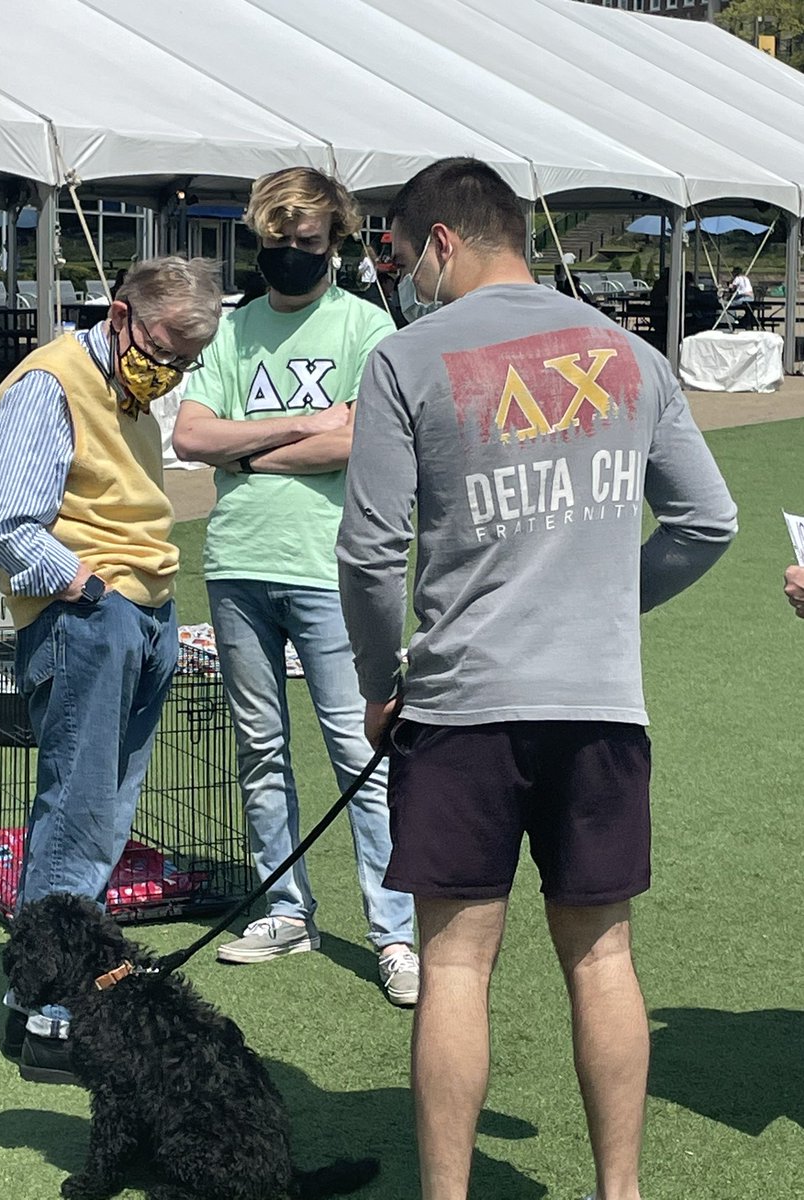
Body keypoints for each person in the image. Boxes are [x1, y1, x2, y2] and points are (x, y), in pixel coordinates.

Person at [335, 157, 738, 1199]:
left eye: (402, 255)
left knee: (456, 966)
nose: (403, 277)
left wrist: (383, 681)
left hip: (461, 702)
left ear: (439, 244)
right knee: (602, 959)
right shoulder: (632, 355)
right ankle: (621, 1191)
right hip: (598, 704)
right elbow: (708, 521)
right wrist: (605, 604)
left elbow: (371, 551)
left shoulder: (406, 358)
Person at [172, 166, 419, 1007]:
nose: (287, 258)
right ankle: (287, 908)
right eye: (275, 245)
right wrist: (296, 427)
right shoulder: (231, 332)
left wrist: (246, 446)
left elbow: (354, 443)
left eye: (304, 244)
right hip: (237, 561)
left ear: (336, 241)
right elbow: (192, 433)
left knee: (360, 752)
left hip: (327, 567)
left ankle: (394, 931)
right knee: (260, 750)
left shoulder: (367, 325)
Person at [0, 256, 223, 1082]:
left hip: (137, 608)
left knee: (107, 813)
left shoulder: (132, 392)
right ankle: (50, 1013)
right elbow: (6, 521)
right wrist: (89, 589)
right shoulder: (49, 383)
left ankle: (42, 1001)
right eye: (168, 348)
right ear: (121, 315)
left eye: (190, 360)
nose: (174, 370)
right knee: (79, 817)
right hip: (90, 613)